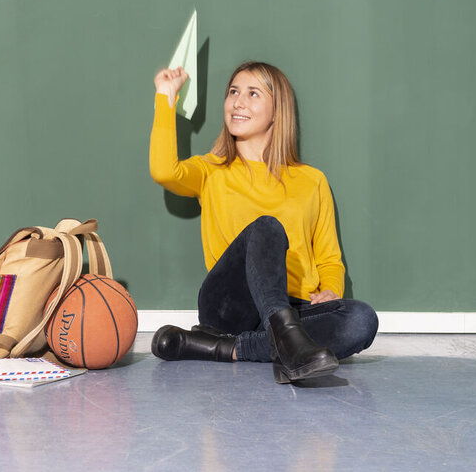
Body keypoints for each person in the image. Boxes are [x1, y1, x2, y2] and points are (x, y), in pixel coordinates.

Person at [148, 61, 377, 384]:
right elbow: (164, 171)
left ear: (276, 111)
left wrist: (330, 290)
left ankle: (228, 349)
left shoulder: (311, 181)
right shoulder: (212, 171)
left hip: (294, 307)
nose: (237, 102)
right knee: (266, 226)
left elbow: (329, 258)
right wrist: (166, 96)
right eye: (233, 92)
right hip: (230, 306)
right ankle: (285, 342)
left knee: (361, 320)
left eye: (252, 93)